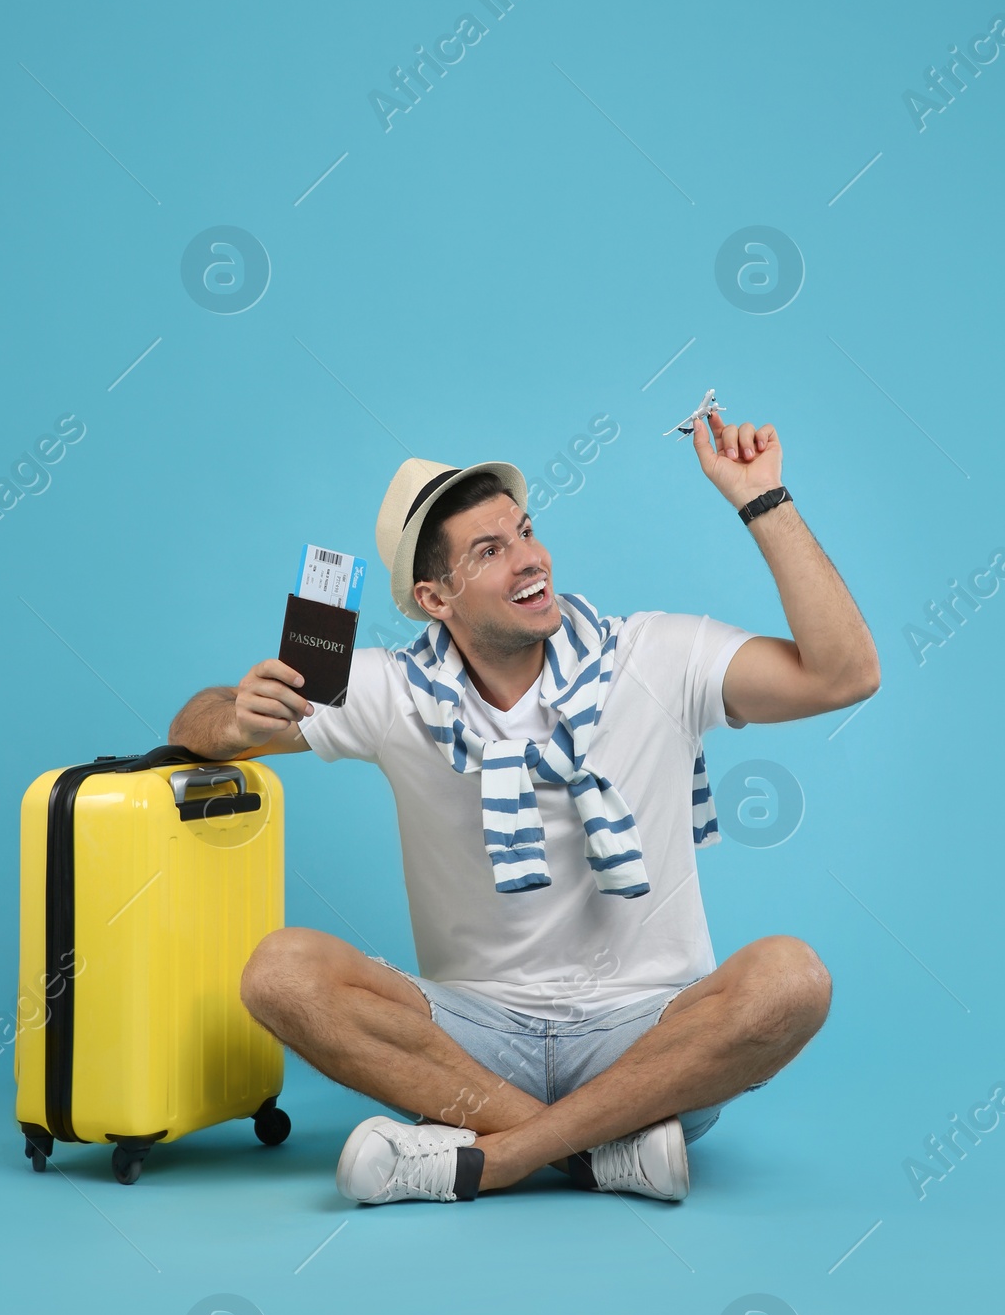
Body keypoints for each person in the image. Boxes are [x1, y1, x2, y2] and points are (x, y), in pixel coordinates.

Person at [169, 411, 878, 1206]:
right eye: (490, 550)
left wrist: (763, 499)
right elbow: (195, 722)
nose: (530, 559)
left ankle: (498, 1159)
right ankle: (597, 1152)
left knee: (790, 978)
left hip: (649, 1040)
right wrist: (235, 721)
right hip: (472, 1044)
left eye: (525, 531)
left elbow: (843, 675)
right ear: (436, 598)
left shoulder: (654, 655)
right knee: (281, 973)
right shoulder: (394, 691)